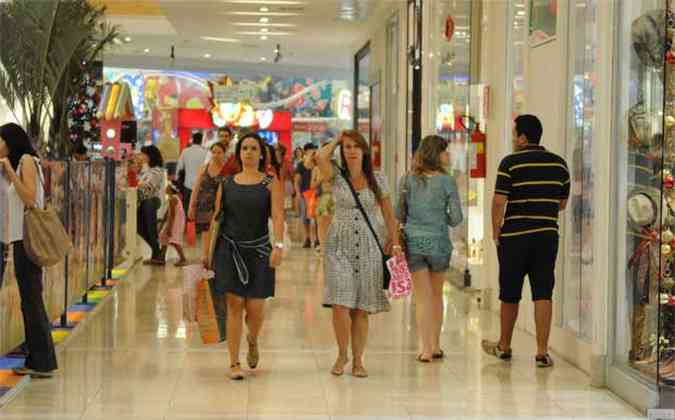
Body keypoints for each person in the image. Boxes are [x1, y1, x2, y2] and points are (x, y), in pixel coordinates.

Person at [482, 114, 570, 368]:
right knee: (543, 291)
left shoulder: (510, 163)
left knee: (509, 292)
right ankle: (542, 352)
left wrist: (495, 231)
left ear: (522, 137)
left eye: (514, 133)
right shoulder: (559, 164)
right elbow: (561, 203)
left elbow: (499, 201)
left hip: (515, 237)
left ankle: (504, 346)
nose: (512, 138)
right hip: (546, 235)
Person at [317, 130, 401, 378]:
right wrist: (336, 139)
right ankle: (342, 353)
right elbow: (321, 157)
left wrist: (395, 243)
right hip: (338, 245)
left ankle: (358, 360)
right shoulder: (336, 176)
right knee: (340, 304)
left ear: (365, 151)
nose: (351, 150)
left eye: (356, 146)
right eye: (347, 147)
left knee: (361, 308)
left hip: (369, 245)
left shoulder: (378, 179)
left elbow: (388, 214)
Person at [207, 133, 284, 380]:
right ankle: (233, 362)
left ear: (261, 153)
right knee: (234, 306)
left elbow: (278, 216)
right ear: (238, 153)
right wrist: (207, 251)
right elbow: (216, 219)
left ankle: (252, 339)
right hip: (229, 250)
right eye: (244, 148)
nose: (248, 152)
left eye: (253, 148)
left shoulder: (270, 183)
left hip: (260, 251)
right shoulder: (227, 183)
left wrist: (279, 246)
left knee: (255, 308)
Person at [396, 135, 463, 363]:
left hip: (414, 243)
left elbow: (398, 213)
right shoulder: (448, 182)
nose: (448, 155)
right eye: (445, 151)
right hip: (439, 243)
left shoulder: (407, 180)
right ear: (437, 154)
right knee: (436, 296)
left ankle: (424, 349)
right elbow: (456, 219)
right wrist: (438, 215)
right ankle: (436, 345)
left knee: (422, 298)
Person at [0, 123, 58, 378]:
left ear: (11, 141)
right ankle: (36, 357)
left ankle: (43, 362)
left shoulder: (24, 160)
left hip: (27, 239)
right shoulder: (26, 161)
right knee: (29, 300)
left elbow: (30, 197)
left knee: (32, 300)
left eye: (0, 140)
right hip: (20, 238)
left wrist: (9, 170)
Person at [137, 145, 166, 265]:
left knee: (150, 229)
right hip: (144, 202)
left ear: (149, 156)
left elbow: (148, 187)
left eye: (143, 154)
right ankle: (157, 252)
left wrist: (138, 185)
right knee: (140, 227)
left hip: (150, 201)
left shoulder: (157, 171)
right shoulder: (148, 170)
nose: (141, 156)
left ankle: (157, 254)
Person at [177, 132, 208, 214]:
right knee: (200, 213)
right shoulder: (206, 152)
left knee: (186, 211)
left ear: (192, 140)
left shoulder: (185, 151)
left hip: (187, 185)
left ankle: (185, 226)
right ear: (201, 140)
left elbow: (179, 168)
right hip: (202, 186)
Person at [295, 143, 318, 248]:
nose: (313, 152)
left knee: (317, 217)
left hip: (317, 193)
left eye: (315, 150)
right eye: (311, 150)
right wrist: (298, 193)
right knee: (305, 217)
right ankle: (307, 238)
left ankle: (317, 238)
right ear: (306, 151)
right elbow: (297, 181)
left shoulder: (318, 164)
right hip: (305, 194)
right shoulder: (301, 165)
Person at [159, 180, 188, 266]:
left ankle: (183, 259)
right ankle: (162, 257)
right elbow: (168, 212)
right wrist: (163, 222)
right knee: (163, 237)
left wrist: (169, 228)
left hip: (176, 222)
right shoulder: (173, 197)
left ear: (171, 189)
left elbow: (172, 215)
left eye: (167, 186)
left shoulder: (172, 199)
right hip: (176, 221)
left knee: (174, 240)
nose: (165, 188)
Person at [311, 161, 334, 255]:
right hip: (323, 196)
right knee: (320, 223)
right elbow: (312, 186)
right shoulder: (316, 169)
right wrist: (320, 179)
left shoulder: (335, 167)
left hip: (336, 197)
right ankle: (323, 248)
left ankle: (332, 248)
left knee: (333, 224)